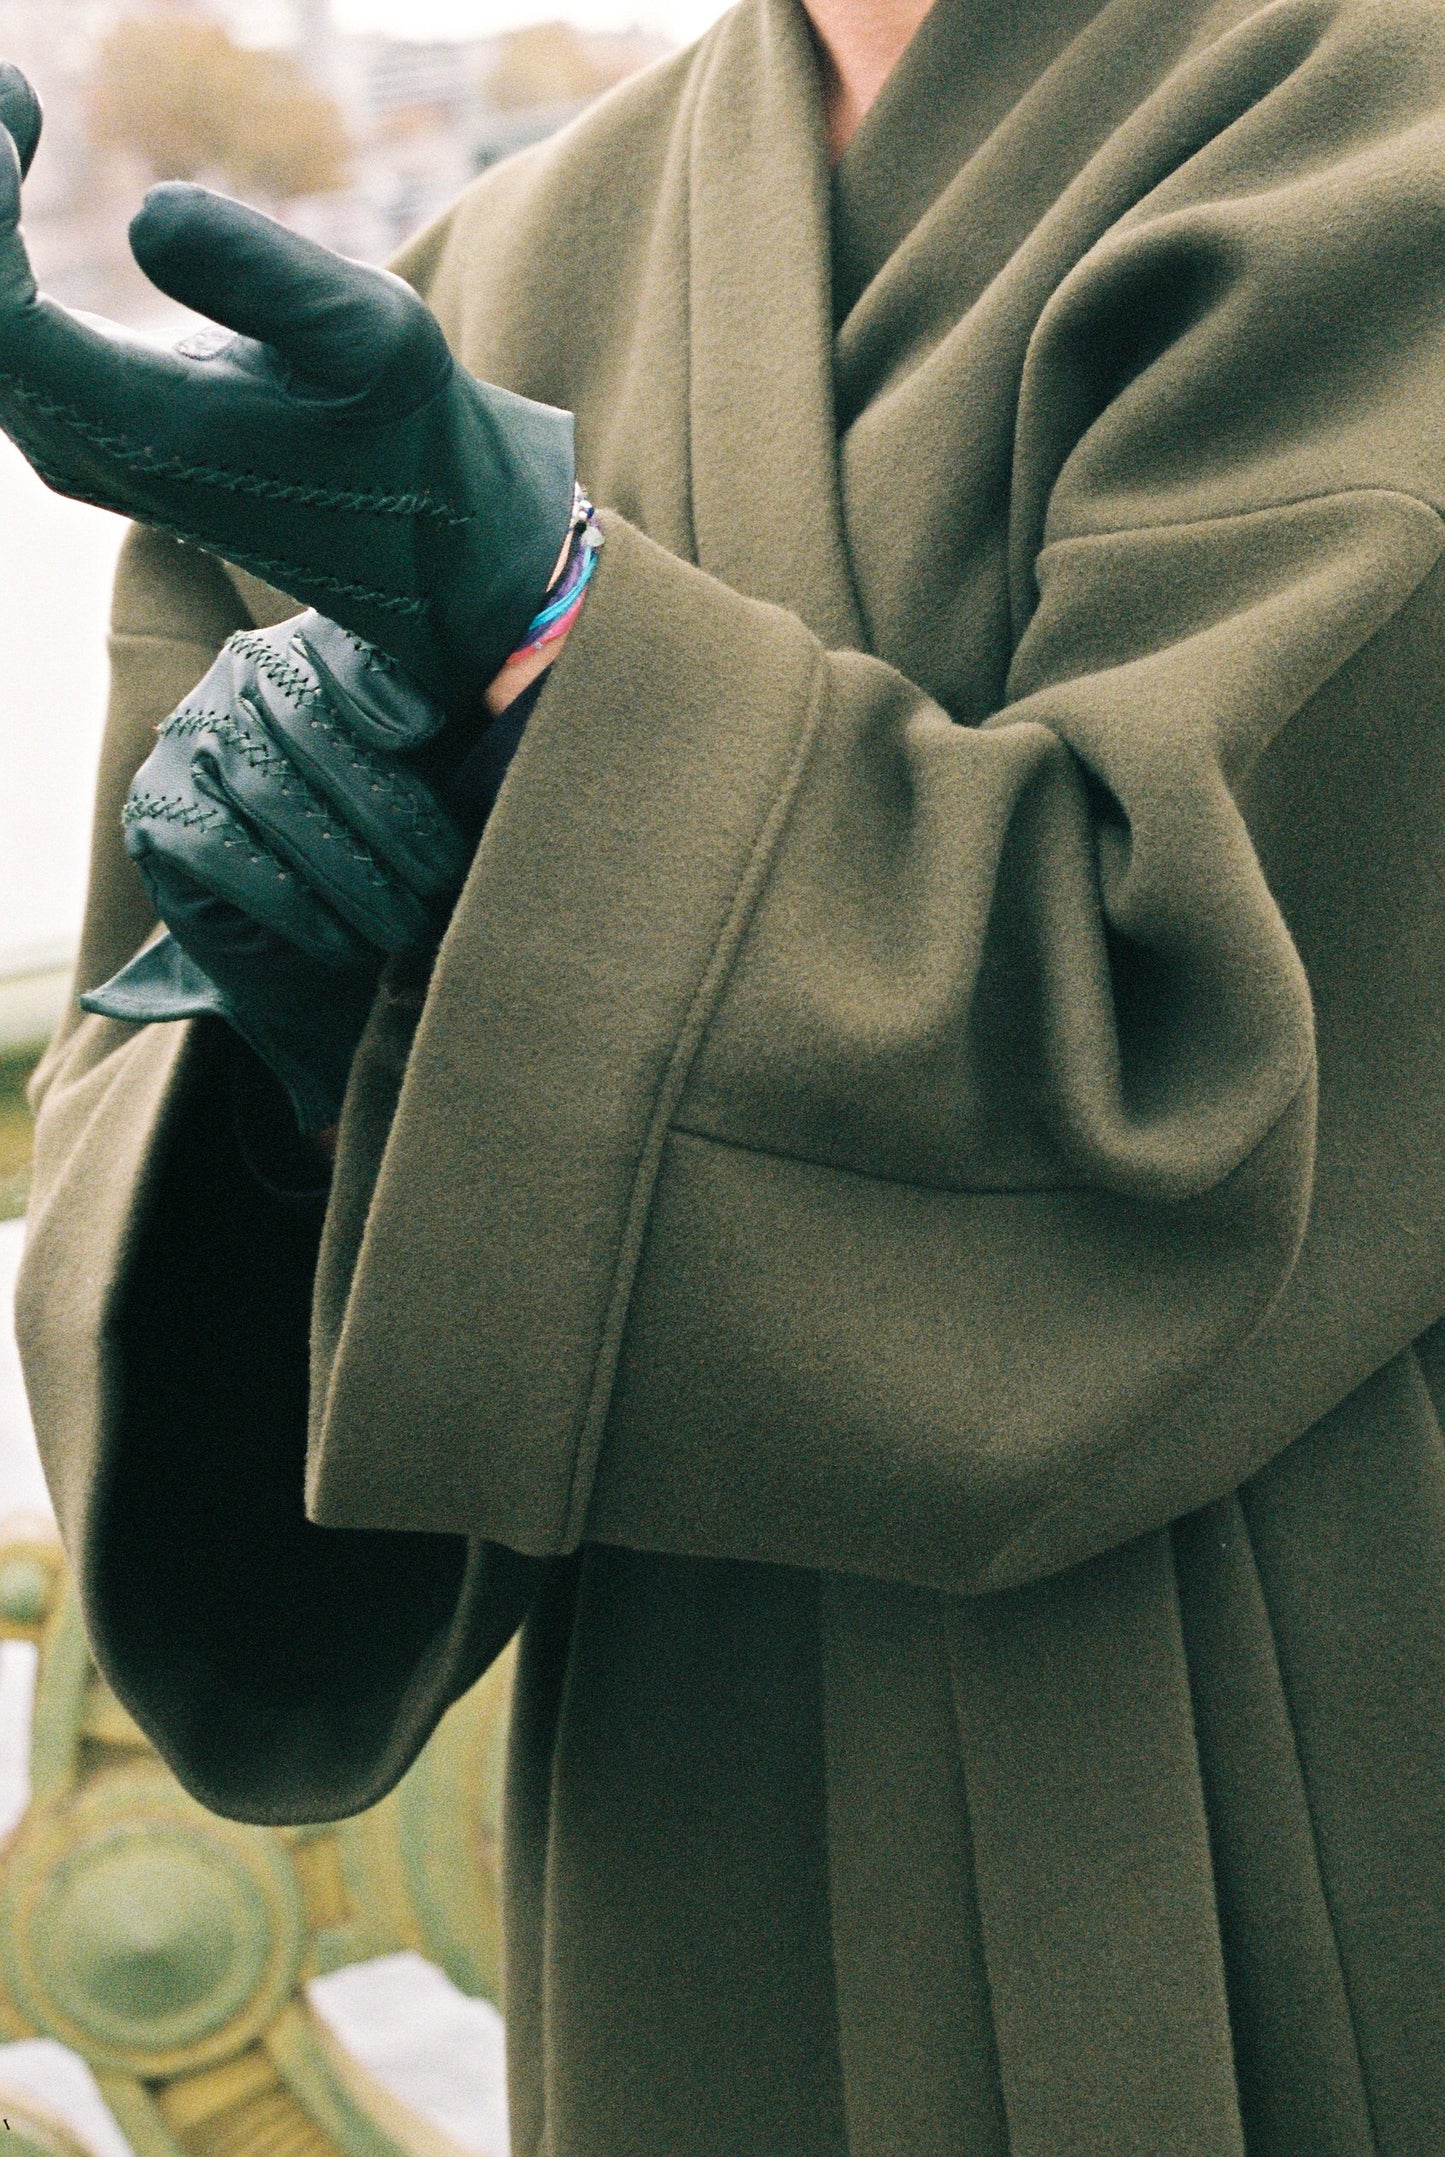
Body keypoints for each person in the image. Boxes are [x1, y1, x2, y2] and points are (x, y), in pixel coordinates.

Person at [8, 0, 1445, 2139]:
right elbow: (164, 1158)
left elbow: (1200, 1060)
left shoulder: (1386, 135)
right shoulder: (485, 276)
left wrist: (563, 635)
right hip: (697, 1865)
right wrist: (316, 1067)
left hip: (1314, 1746)